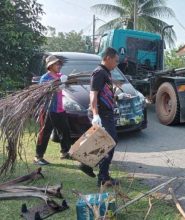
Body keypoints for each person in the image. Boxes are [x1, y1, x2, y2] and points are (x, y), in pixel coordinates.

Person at [79, 47, 120, 186]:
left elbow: (104, 92)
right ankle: (102, 177)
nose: (116, 64)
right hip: (101, 114)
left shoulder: (106, 73)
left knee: (104, 141)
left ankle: (87, 164)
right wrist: (96, 115)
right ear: (108, 58)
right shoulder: (99, 72)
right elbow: (93, 94)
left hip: (106, 113)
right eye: (115, 60)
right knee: (110, 142)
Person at [34, 55, 71, 165]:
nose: (59, 66)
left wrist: (64, 82)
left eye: (59, 64)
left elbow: (65, 84)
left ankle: (64, 153)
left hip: (60, 109)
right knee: (45, 133)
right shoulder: (45, 78)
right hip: (48, 110)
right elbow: (44, 92)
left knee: (65, 131)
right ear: (50, 66)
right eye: (56, 64)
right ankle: (38, 157)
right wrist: (58, 87)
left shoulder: (60, 76)